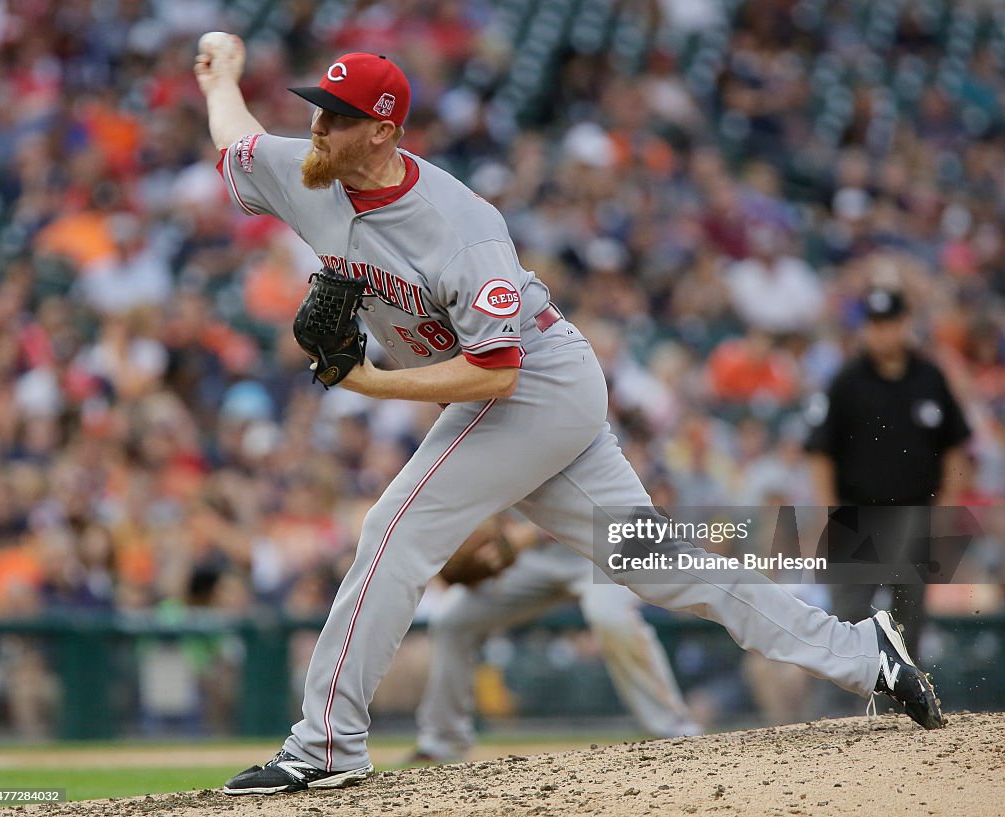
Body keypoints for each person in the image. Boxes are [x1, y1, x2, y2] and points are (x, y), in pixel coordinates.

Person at [193, 39, 943, 797]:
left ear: (384, 131)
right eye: (317, 108)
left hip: (537, 384)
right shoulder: (308, 171)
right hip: (512, 394)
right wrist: (220, 76)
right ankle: (862, 653)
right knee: (658, 564)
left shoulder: (461, 224)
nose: (318, 125)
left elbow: (498, 371)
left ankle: (326, 743)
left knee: (394, 529)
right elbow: (237, 141)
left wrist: (367, 381)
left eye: (338, 115)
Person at [412, 516, 700, 763]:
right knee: (452, 619)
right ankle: (443, 741)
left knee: (610, 616)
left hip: (599, 552)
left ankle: (673, 728)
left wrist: (532, 531)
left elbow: (612, 504)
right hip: (531, 560)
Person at [805, 287, 971, 659]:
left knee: (909, 622)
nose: (882, 333)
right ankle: (841, 713)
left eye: (890, 324)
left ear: (904, 324)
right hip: (857, 513)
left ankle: (905, 710)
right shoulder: (846, 381)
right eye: (875, 325)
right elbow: (820, 452)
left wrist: (945, 508)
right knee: (846, 619)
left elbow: (956, 448)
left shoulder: (929, 378)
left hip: (913, 513)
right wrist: (828, 512)